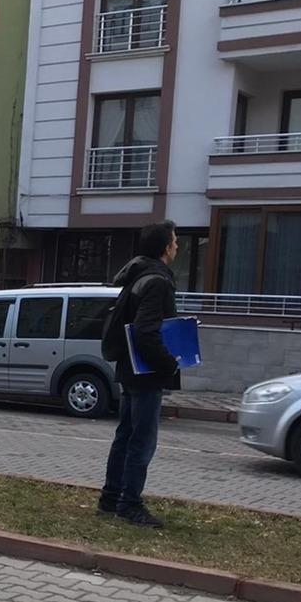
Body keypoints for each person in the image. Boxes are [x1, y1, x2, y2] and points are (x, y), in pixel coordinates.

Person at [99, 221, 181, 529]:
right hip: (145, 373)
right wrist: (169, 363)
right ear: (164, 248)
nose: (177, 246)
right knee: (141, 441)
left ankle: (110, 499)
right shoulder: (157, 281)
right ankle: (129, 505)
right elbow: (147, 332)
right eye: (174, 242)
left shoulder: (136, 277)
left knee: (125, 436)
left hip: (128, 370)